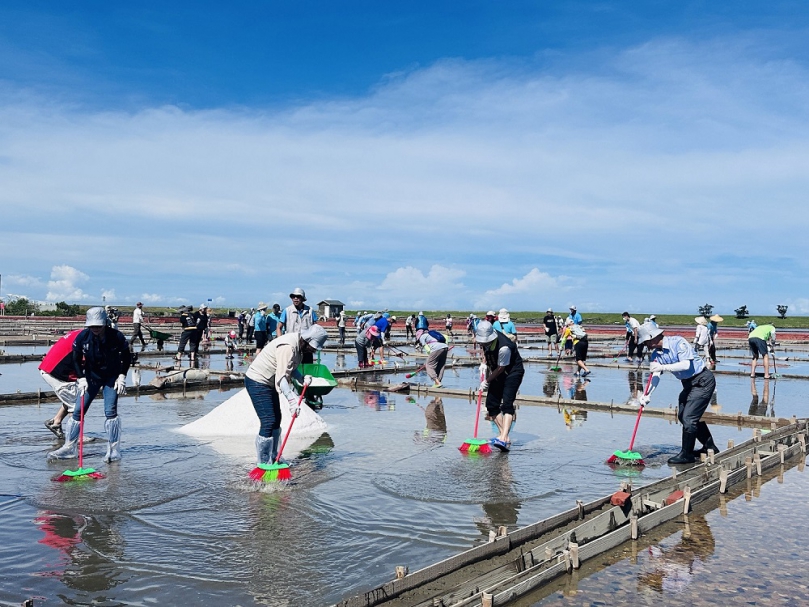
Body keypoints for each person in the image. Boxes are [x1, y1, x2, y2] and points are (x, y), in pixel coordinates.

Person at [48, 307, 130, 462]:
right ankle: (69, 447)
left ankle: (113, 450)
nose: (95, 329)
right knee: (78, 411)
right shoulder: (83, 337)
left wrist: (122, 376)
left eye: (98, 326)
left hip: (111, 378)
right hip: (91, 378)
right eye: (92, 326)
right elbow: (76, 359)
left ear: (105, 323)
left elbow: (126, 357)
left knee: (110, 411)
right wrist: (81, 378)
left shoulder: (116, 336)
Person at [244, 325, 327, 467]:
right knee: (268, 420)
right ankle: (263, 462)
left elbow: (290, 367)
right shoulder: (288, 347)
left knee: (277, 419)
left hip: (269, 381)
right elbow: (281, 377)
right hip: (258, 381)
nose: (312, 351)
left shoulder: (299, 346)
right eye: (312, 348)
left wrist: (301, 378)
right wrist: (292, 401)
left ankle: (274, 456)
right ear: (307, 340)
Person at [638, 321, 718, 465]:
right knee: (683, 416)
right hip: (688, 384)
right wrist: (648, 394)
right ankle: (709, 447)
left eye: (645, 342)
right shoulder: (656, 354)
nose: (645, 345)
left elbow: (686, 364)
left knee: (689, 418)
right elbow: (655, 375)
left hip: (702, 381)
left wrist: (663, 367)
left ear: (652, 337)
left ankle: (686, 455)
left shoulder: (678, 342)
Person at [475, 320, 524, 452]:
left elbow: (501, 368)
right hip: (498, 371)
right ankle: (504, 436)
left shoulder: (504, 348)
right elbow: (487, 352)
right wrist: (484, 363)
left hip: (513, 372)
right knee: (491, 404)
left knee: (507, 404)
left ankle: (503, 437)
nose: (482, 344)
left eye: (485, 342)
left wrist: (486, 381)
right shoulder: (486, 341)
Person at [40, 329, 82, 440]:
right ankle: (75, 436)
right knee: (76, 405)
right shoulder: (88, 340)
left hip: (50, 365)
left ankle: (55, 422)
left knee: (72, 397)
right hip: (57, 372)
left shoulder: (79, 332)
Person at [280, 287, 319, 363]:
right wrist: (281, 342)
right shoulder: (287, 311)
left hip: (306, 345)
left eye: (298, 297)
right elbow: (279, 327)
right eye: (293, 297)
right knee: (291, 365)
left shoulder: (310, 311)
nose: (295, 299)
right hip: (291, 344)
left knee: (307, 366)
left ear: (303, 299)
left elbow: (316, 327)